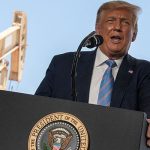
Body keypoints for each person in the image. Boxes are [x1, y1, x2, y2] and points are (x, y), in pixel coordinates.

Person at [35, 1, 150, 146]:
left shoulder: (144, 71)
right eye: (110, 20)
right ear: (98, 29)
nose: (117, 27)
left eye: (125, 22)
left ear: (134, 34)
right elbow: (37, 109)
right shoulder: (64, 64)